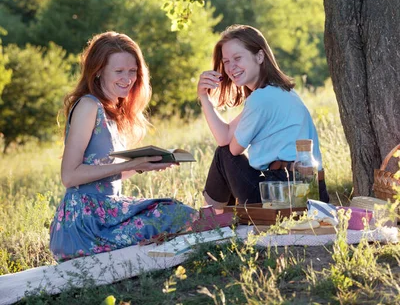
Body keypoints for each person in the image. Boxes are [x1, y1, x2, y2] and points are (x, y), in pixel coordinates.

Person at [50, 31, 197, 261]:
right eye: (119, 71)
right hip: (84, 225)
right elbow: (69, 176)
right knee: (175, 214)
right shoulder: (88, 106)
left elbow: (104, 177)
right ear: (98, 71)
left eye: (132, 72)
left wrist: (143, 165)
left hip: (107, 213)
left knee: (178, 212)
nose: (127, 79)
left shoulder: (111, 110)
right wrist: (131, 164)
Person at [197, 24, 329, 210]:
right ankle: (215, 219)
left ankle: (211, 219)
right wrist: (204, 97)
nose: (231, 67)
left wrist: (204, 98)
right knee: (224, 151)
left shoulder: (261, 98)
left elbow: (231, 148)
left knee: (223, 154)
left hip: (285, 190)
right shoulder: (276, 92)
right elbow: (225, 135)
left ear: (259, 57)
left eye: (237, 58)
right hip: (313, 190)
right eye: (226, 61)